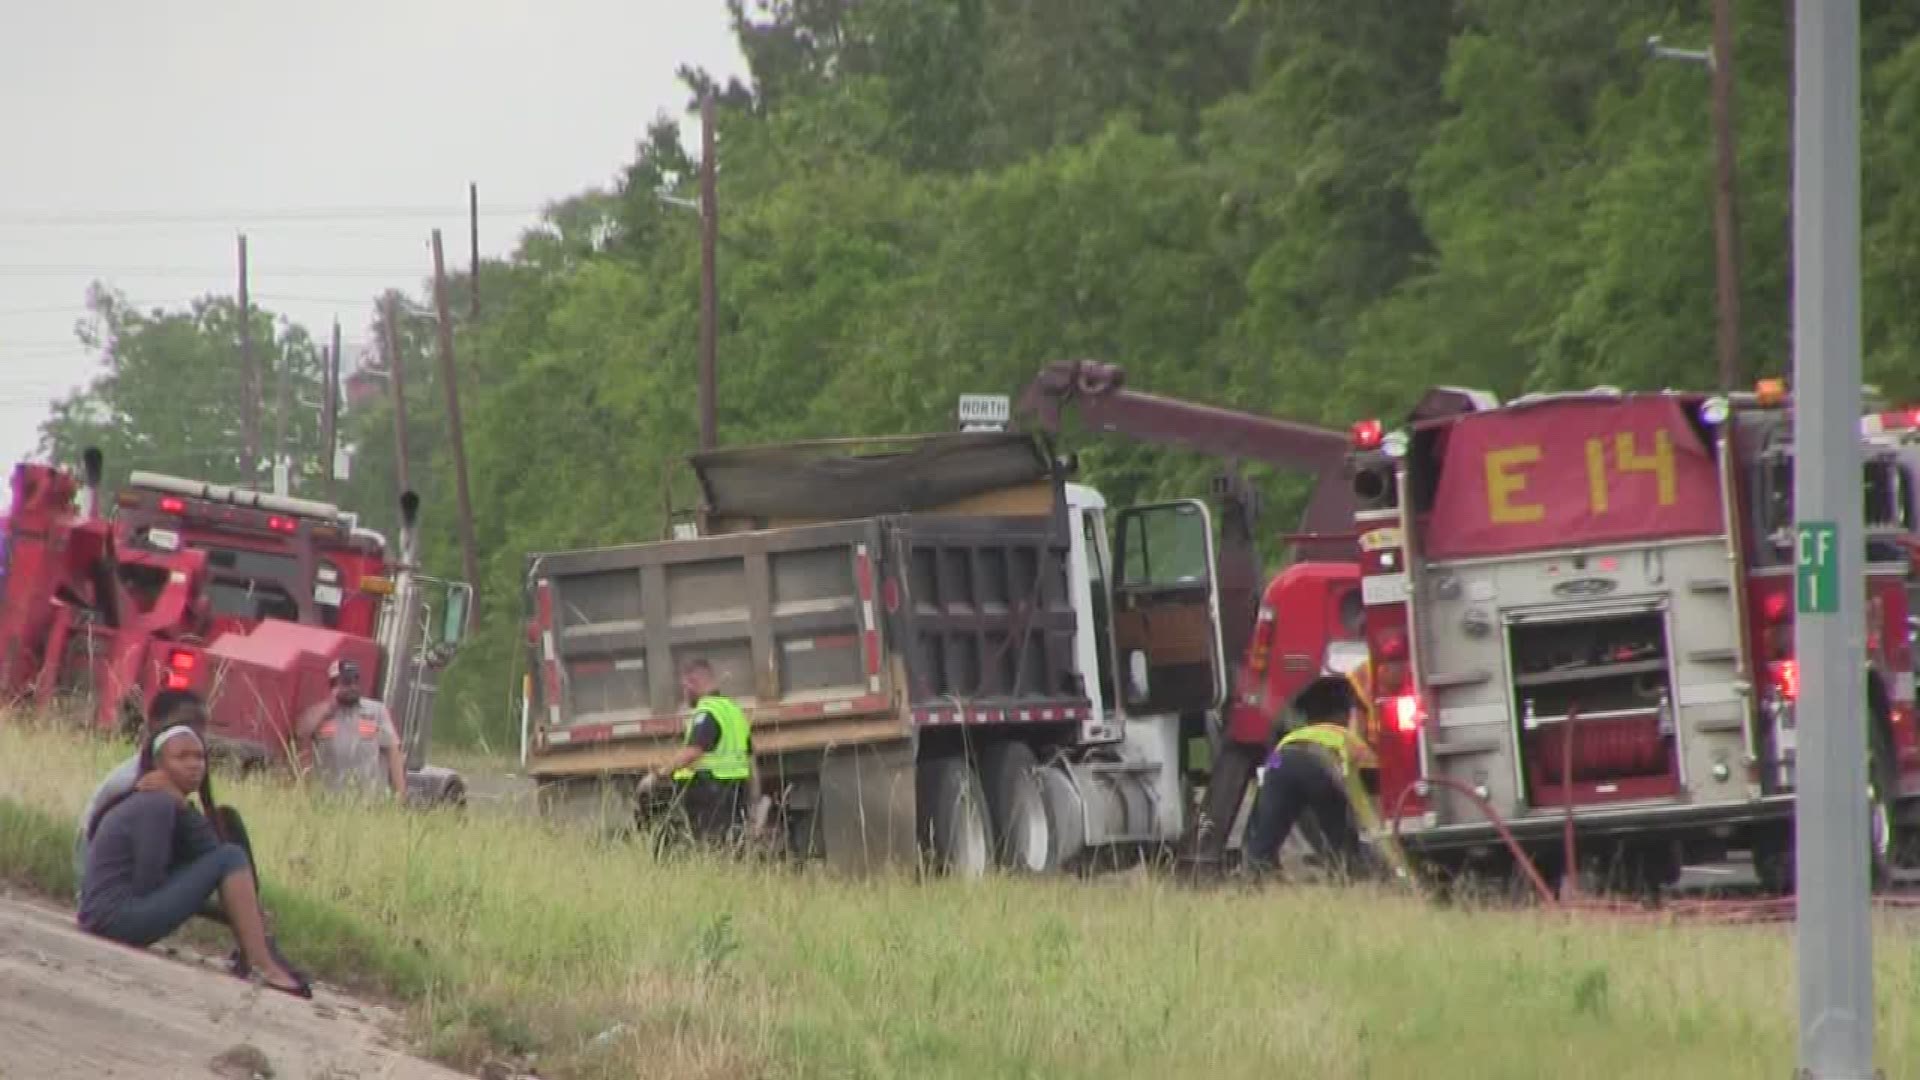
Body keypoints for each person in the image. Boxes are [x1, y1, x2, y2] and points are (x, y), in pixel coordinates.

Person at [79, 722, 311, 998]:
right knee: (231, 856)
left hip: (112, 916)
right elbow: (149, 886)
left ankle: (255, 948)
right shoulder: (155, 805)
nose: (194, 765)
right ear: (157, 765)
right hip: (114, 919)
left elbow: (209, 855)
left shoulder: (169, 803)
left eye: (199, 757)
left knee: (227, 832)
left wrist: (182, 804)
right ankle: (263, 965)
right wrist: (210, 903)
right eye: (182, 757)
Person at [1241, 673, 1381, 878]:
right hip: (1319, 766)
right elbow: (1373, 782)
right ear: (1342, 716)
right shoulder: (1347, 738)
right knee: (1339, 836)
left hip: (1281, 763)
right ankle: (1348, 873)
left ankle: (1254, 876)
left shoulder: (1292, 736)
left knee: (1266, 838)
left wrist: (1269, 790)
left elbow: (1271, 769)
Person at [634, 659, 768, 846]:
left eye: (684, 687)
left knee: (710, 846)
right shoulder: (733, 711)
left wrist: (657, 775)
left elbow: (693, 752)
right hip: (735, 792)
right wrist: (755, 801)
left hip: (709, 793)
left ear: (693, 683)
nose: (684, 694)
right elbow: (751, 759)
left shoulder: (706, 713)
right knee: (730, 845)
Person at [294, 658, 406, 799]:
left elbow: (393, 752)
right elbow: (301, 732)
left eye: (355, 681)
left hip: (369, 800)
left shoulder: (376, 711)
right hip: (329, 799)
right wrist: (329, 706)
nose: (353, 686)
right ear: (334, 685)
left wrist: (400, 793)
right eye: (346, 682)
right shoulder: (320, 714)